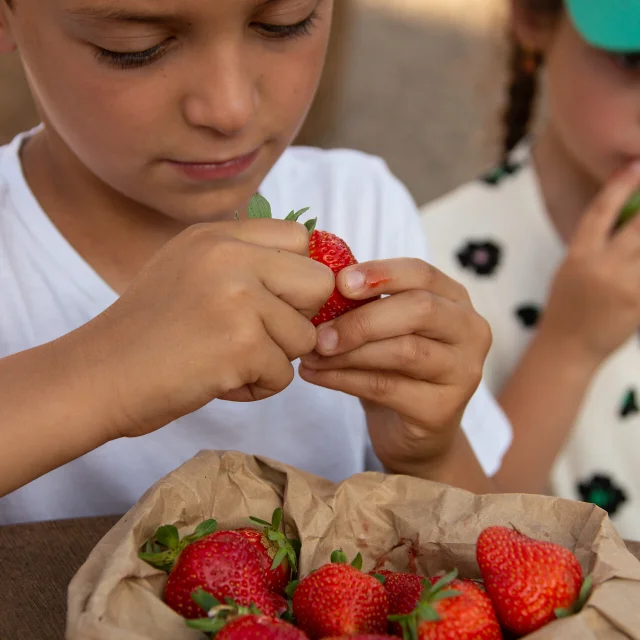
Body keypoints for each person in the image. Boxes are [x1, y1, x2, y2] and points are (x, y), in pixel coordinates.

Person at [0, 0, 511, 523]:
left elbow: (495, 544)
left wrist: (432, 453)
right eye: (136, 48)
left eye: (285, 23)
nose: (230, 109)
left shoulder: (360, 203)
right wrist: (100, 373)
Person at [421, 0, 640, 538]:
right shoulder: (432, 268)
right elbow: (468, 536)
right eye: (634, 61)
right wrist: (569, 347)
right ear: (535, 20)